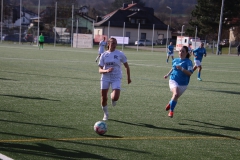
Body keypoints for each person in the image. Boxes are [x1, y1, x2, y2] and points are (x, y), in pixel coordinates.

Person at [98, 37, 131, 120]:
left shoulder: (120, 54)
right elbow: (100, 70)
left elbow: (126, 66)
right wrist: (106, 70)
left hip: (116, 77)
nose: (114, 45)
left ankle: (112, 97)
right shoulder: (104, 55)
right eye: (112, 43)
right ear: (108, 44)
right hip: (105, 77)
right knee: (103, 97)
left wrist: (128, 78)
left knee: (115, 97)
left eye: (115, 43)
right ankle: (106, 114)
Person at [164, 46, 193, 118]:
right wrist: (167, 75)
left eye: (183, 51)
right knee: (176, 94)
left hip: (184, 83)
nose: (181, 52)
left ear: (186, 53)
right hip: (173, 80)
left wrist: (182, 68)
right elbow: (173, 68)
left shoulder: (188, 62)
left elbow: (190, 73)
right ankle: (171, 111)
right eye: (180, 51)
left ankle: (170, 103)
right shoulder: (175, 60)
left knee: (175, 97)